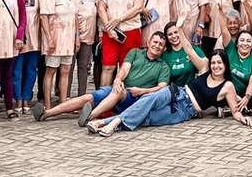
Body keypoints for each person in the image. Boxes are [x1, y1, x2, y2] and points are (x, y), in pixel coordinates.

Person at [87, 39, 252, 135]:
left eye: (220, 63)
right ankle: (113, 123)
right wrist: (180, 27)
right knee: (148, 100)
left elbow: (235, 111)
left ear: (225, 65)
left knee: (148, 118)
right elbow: (188, 48)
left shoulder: (228, 86)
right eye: (214, 63)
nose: (216, 66)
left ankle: (103, 122)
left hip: (184, 110)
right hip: (176, 92)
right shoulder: (205, 69)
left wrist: (243, 118)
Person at [31, 31, 169, 125]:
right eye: (155, 42)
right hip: (120, 88)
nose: (157, 46)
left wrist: (141, 91)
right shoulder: (135, 53)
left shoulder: (163, 66)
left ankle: (89, 117)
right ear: (149, 41)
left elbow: (162, 88)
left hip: (136, 98)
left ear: (164, 49)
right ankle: (47, 113)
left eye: (160, 45)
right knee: (88, 97)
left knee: (118, 92)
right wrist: (117, 80)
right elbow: (124, 69)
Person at [96, 0, 145, 87]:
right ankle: (103, 98)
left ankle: (124, 99)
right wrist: (108, 26)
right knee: (108, 66)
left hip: (131, 32)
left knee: (127, 68)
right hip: (111, 33)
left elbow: (138, 7)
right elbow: (101, 7)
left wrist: (120, 18)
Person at [38, 0, 78, 108]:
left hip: (68, 38)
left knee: (66, 70)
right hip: (54, 37)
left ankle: (63, 103)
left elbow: (75, 15)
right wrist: (49, 39)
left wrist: (77, 37)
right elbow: (44, 17)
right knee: (51, 70)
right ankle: (48, 105)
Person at [68, 0, 99, 96]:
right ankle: (65, 95)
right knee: (68, 67)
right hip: (71, 34)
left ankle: (81, 95)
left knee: (83, 66)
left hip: (89, 33)